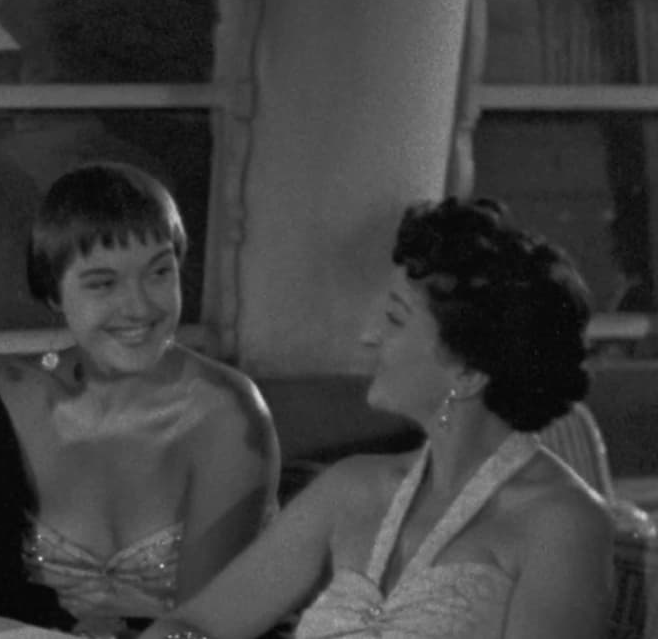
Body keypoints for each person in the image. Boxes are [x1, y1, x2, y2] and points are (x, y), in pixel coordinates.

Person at [144, 197, 613, 639]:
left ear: (469, 372)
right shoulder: (351, 489)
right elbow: (193, 624)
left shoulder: (561, 523)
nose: (370, 336)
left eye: (394, 318)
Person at [0, 163, 279, 636]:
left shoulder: (227, 413)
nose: (139, 307)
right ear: (54, 293)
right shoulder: (7, 399)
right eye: (103, 283)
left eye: (160, 273)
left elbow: (209, 625)